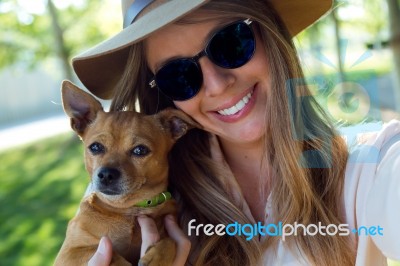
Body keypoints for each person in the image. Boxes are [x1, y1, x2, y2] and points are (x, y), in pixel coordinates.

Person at [70, 0, 400, 265]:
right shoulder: (138, 197)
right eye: (178, 75)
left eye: (231, 44)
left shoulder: (371, 165)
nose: (216, 84)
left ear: (270, 35)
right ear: (166, 97)